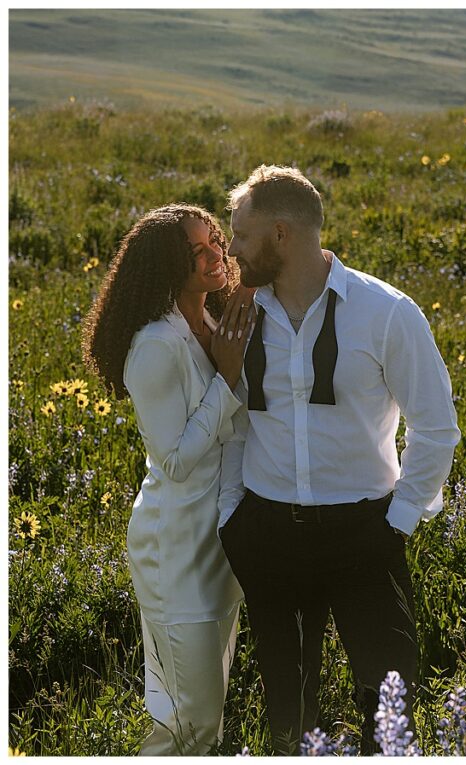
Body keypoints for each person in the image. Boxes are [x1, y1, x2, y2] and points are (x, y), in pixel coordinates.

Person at [215, 165, 460, 755]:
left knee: (385, 701)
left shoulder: (386, 313)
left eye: (240, 236)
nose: (230, 250)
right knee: (289, 710)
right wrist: (232, 518)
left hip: (364, 534)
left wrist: (396, 525)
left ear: (281, 235)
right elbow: (233, 422)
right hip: (268, 533)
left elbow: (437, 428)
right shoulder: (238, 316)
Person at [81, 204, 253, 755]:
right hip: (175, 548)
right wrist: (226, 378)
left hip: (220, 539)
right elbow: (175, 459)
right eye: (195, 252)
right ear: (164, 269)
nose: (214, 257)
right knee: (188, 721)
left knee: (206, 715)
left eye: (215, 243)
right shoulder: (155, 345)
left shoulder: (209, 323)